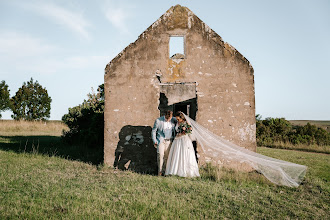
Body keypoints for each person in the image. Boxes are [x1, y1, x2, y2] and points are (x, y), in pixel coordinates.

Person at [165, 111, 200, 177]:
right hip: (177, 141)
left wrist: (183, 133)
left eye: (178, 119)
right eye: (177, 119)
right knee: (177, 154)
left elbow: (189, 131)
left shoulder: (186, 123)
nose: (177, 120)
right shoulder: (177, 123)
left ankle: (187, 171)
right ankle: (175, 171)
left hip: (184, 140)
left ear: (182, 118)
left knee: (185, 153)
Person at [152, 110, 177, 176]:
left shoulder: (173, 120)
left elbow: (182, 120)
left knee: (167, 157)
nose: (169, 119)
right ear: (165, 115)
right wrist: (155, 141)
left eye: (170, 118)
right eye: (167, 118)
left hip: (169, 141)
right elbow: (154, 131)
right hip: (161, 141)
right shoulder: (158, 121)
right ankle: (160, 172)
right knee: (160, 155)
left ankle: (166, 172)